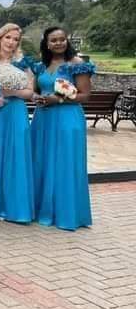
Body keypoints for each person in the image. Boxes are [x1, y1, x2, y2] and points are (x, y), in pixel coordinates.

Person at [31, 27, 94, 230]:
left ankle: (67, 213)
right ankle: (43, 208)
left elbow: (85, 95)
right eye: (53, 40)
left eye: (62, 39)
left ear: (67, 41)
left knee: (65, 162)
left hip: (67, 118)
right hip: (43, 119)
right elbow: (36, 90)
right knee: (42, 160)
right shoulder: (41, 66)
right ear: (46, 44)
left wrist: (57, 100)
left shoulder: (76, 64)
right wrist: (39, 98)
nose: (58, 43)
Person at [0, 23, 35, 223]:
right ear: (0, 38)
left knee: (15, 153)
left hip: (15, 111)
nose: (11, 42)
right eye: (8, 37)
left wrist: (13, 92)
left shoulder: (23, 62)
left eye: (15, 39)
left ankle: (14, 207)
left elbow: (30, 92)